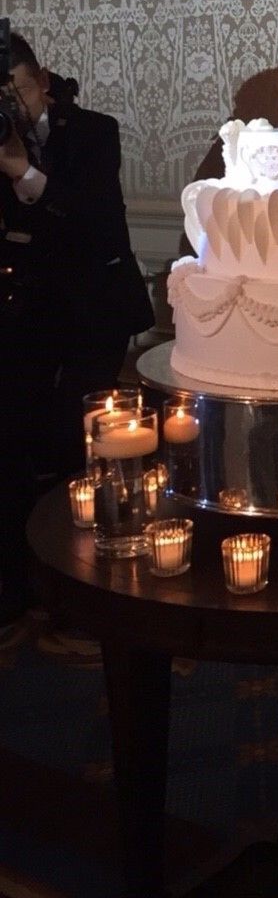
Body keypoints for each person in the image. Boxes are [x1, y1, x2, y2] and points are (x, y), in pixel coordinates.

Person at [0, 31, 154, 621]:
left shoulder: (94, 131)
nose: (14, 109)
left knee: (76, 444)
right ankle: (21, 591)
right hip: (26, 312)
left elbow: (94, 220)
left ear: (41, 82)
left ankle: (84, 598)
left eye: (17, 92)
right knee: (15, 441)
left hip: (96, 309)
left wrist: (24, 173)